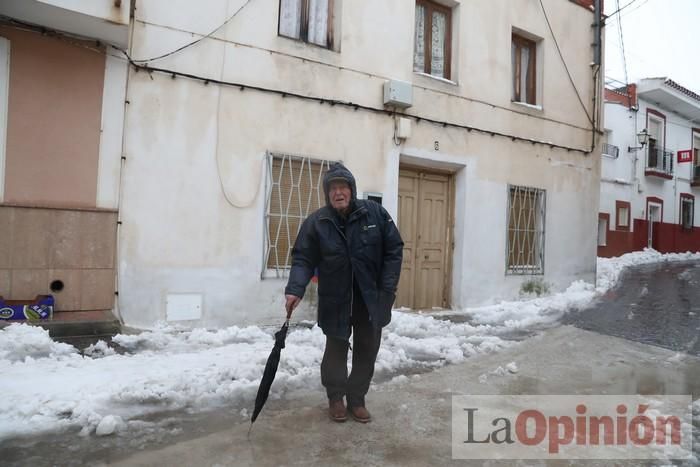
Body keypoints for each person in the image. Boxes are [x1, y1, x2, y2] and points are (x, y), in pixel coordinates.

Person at [284, 162, 404, 423]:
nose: (338, 193)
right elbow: (303, 258)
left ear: (352, 189)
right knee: (335, 351)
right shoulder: (317, 222)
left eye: (343, 187)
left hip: (369, 298)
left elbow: (394, 249)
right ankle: (336, 398)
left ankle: (357, 399)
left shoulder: (375, 214)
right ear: (327, 193)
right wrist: (295, 289)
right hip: (336, 299)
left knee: (367, 349)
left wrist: (387, 287)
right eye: (333, 188)